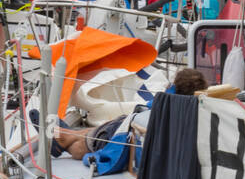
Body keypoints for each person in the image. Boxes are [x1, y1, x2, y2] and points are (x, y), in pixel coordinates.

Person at [52, 67, 208, 162]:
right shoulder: (191, 112)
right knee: (105, 129)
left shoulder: (166, 105)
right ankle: (66, 135)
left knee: (95, 140)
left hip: (127, 131)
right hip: (127, 126)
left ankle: (63, 139)